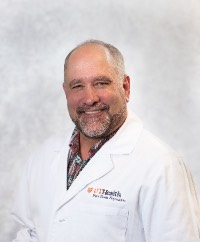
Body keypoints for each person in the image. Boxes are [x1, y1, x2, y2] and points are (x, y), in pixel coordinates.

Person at [12, 40, 200, 242]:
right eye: (77, 86)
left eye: (101, 83)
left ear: (125, 87)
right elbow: (30, 234)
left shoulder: (162, 166)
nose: (89, 98)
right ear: (66, 92)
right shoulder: (42, 157)